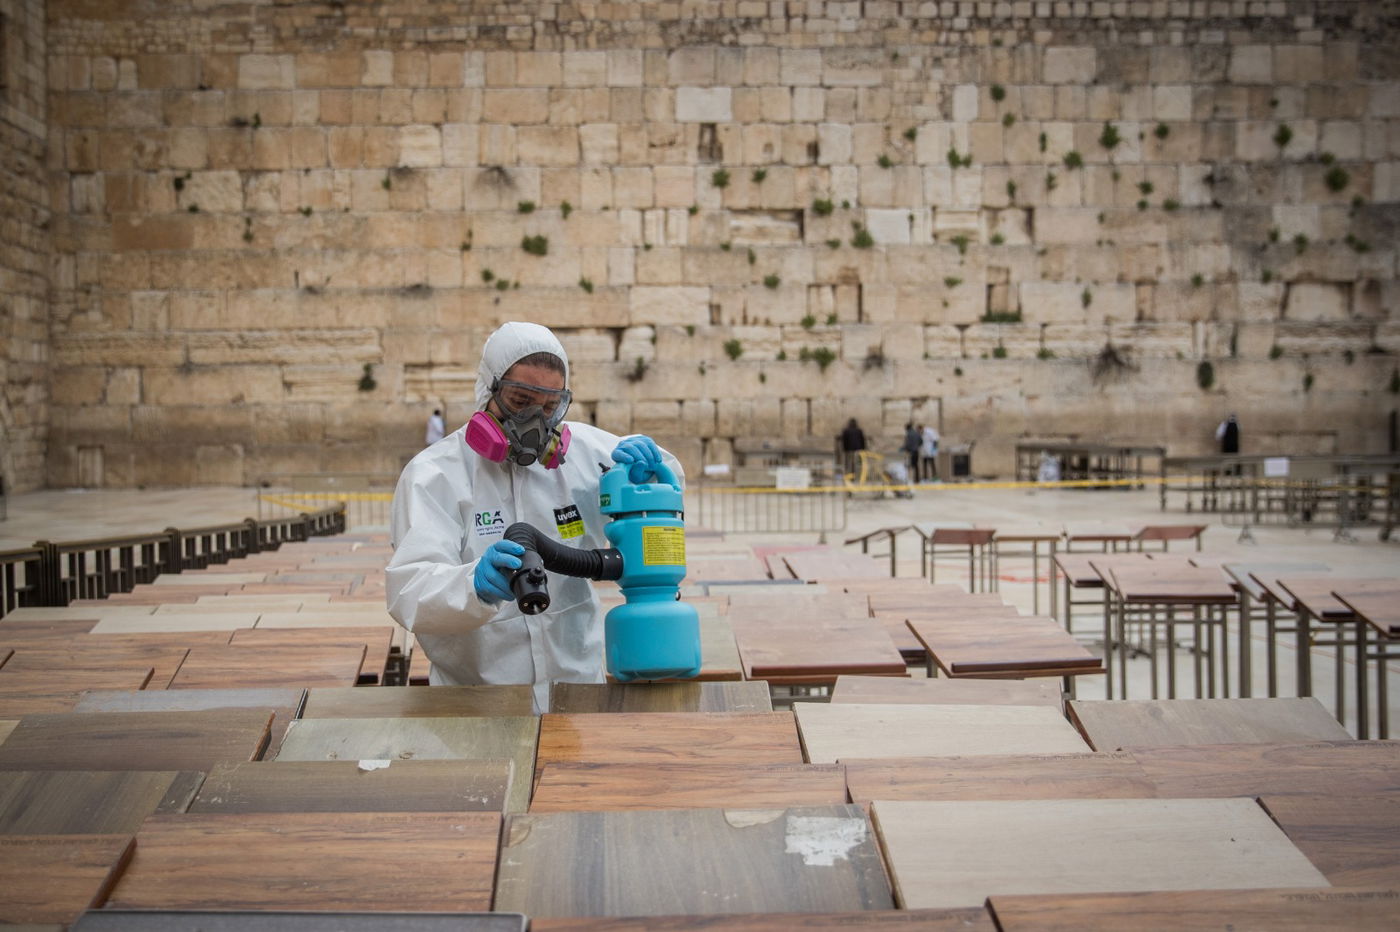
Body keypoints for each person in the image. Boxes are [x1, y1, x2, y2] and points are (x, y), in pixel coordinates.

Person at [386, 322, 683, 712]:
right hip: (479, 702)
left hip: (579, 691)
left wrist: (644, 480)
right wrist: (472, 585)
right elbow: (410, 591)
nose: (534, 421)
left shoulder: (586, 455)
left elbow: (670, 482)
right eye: (520, 400)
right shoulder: (436, 475)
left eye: (548, 407)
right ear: (487, 390)